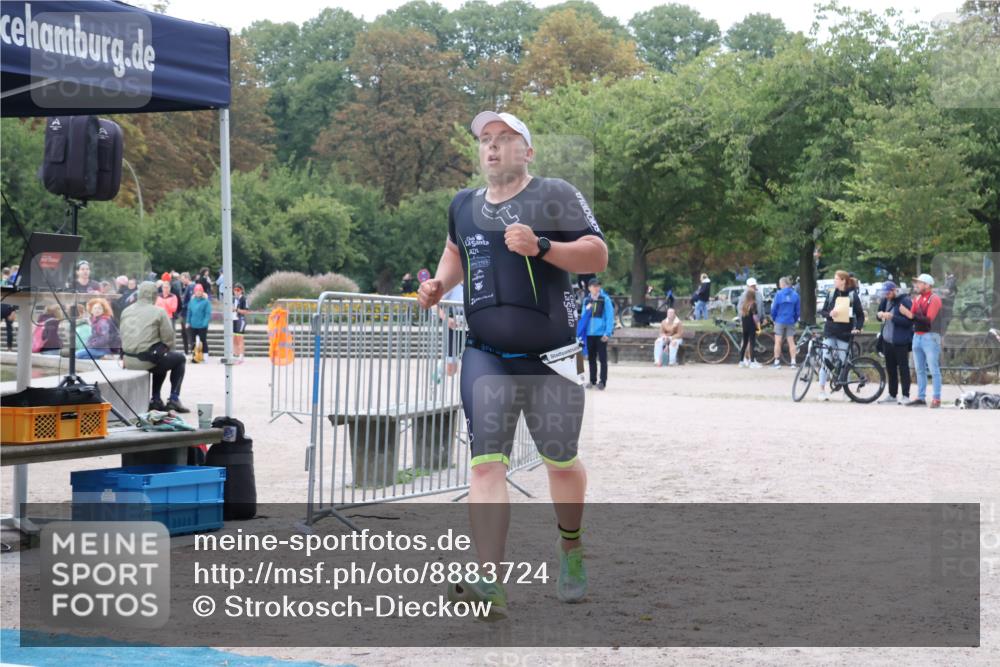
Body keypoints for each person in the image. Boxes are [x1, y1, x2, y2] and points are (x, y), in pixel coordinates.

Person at [417, 110, 608, 618]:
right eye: (486, 139)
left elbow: (597, 255)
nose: (493, 146)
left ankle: (570, 546)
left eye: (505, 138)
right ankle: (490, 582)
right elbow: (455, 251)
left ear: (528, 151)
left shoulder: (555, 194)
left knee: (560, 462)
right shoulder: (463, 205)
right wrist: (439, 284)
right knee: (486, 465)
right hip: (485, 355)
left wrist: (541, 246)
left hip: (550, 360)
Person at [120, 281, 189, 412]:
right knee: (178, 358)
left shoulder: (126, 311)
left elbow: (122, 334)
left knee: (160, 355)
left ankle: (156, 399)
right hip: (147, 361)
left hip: (128, 360)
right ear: (154, 295)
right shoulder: (159, 312)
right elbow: (169, 338)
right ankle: (173, 399)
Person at [816, 270, 865, 401]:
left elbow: (860, 315)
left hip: (844, 332)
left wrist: (857, 328)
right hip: (830, 331)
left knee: (845, 362)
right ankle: (821, 390)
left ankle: (846, 392)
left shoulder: (852, 295)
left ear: (843, 281)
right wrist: (829, 313)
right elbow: (823, 311)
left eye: (836, 279)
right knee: (826, 360)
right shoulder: (831, 293)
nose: (834, 281)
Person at [900, 273, 943, 408]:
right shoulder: (917, 298)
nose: (916, 285)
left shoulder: (934, 299)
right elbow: (911, 317)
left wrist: (910, 314)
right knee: (919, 369)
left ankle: (936, 398)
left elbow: (929, 319)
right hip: (917, 336)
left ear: (927, 285)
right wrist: (907, 314)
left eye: (919, 283)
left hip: (930, 336)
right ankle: (921, 397)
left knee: (933, 369)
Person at [875, 281, 913, 405]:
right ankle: (892, 394)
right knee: (890, 369)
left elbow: (909, 322)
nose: (886, 296)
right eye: (884, 293)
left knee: (903, 368)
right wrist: (879, 315)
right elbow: (879, 314)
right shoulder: (885, 300)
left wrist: (892, 317)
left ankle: (906, 395)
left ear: (894, 290)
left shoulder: (905, 301)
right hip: (887, 340)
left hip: (900, 341)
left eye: (888, 293)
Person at [581, 277, 615, 389]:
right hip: (589, 335)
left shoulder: (605, 299)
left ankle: (602, 382)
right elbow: (583, 318)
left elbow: (610, 317)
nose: (597, 288)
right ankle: (592, 381)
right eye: (594, 286)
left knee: (602, 359)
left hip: (601, 334)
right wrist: (587, 309)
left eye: (598, 286)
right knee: (591, 359)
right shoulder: (586, 300)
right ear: (589, 288)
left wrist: (607, 333)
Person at [770, 276, 801, 368]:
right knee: (791, 341)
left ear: (783, 284)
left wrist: (774, 318)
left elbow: (774, 308)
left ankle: (777, 362)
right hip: (790, 320)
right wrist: (794, 319)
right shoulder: (795, 295)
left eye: (780, 284)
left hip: (779, 320)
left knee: (778, 341)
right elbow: (798, 311)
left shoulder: (778, 294)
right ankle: (793, 362)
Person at [737, 278, 763, 368]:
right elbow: (755, 317)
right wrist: (758, 326)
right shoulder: (752, 303)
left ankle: (742, 361)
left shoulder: (746, 304)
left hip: (745, 324)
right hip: (752, 324)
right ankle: (751, 361)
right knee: (751, 342)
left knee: (745, 342)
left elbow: (741, 311)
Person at [186, 283, 212, 361]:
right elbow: (189, 312)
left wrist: (205, 323)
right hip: (193, 324)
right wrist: (187, 322)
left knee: (203, 340)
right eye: (197, 291)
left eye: (200, 291)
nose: (198, 292)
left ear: (202, 292)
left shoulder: (206, 302)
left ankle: (205, 355)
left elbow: (207, 314)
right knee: (192, 341)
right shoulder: (192, 301)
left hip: (202, 325)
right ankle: (194, 355)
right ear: (195, 292)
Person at [232, 283, 249, 362]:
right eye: (234, 290)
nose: (236, 292)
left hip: (241, 319)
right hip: (234, 319)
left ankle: (241, 356)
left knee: (239, 338)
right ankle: (235, 354)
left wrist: (236, 310)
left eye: (238, 290)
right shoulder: (233, 299)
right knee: (234, 338)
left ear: (241, 291)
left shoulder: (243, 299)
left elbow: (246, 311)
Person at [178, 272, 193, 355]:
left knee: (188, 333)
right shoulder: (185, 287)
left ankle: (191, 350)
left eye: (183, 279)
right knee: (183, 333)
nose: (181, 281)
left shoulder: (191, 286)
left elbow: (191, 301)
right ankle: (186, 351)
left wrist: (183, 305)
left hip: (187, 313)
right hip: (183, 313)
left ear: (187, 278)